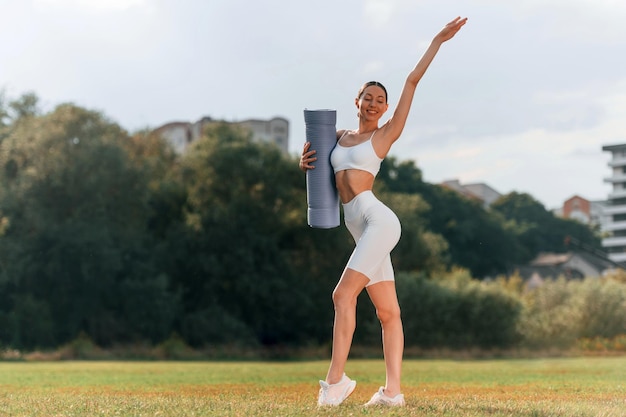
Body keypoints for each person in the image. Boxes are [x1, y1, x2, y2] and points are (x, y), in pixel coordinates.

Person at [299, 16, 467, 407]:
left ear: (385, 107)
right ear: (356, 102)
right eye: (367, 97)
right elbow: (322, 173)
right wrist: (304, 163)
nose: (373, 104)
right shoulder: (338, 137)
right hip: (359, 228)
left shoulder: (385, 134)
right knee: (388, 313)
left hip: (378, 221)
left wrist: (437, 41)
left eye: (379, 100)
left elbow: (411, 81)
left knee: (343, 295)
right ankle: (393, 393)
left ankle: (335, 383)